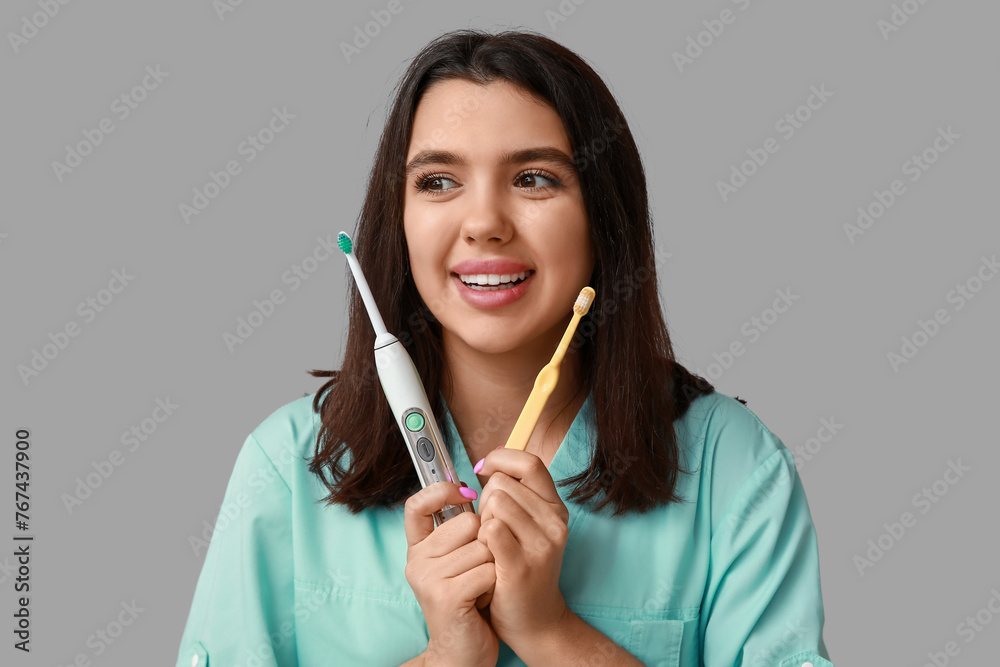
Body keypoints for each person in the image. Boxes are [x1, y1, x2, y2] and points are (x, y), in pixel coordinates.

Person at [175, 28, 834, 667]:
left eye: (534, 178)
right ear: (397, 217)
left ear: (604, 215)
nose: (485, 222)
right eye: (437, 181)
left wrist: (552, 633)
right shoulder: (284, 469)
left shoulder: (735, 469)